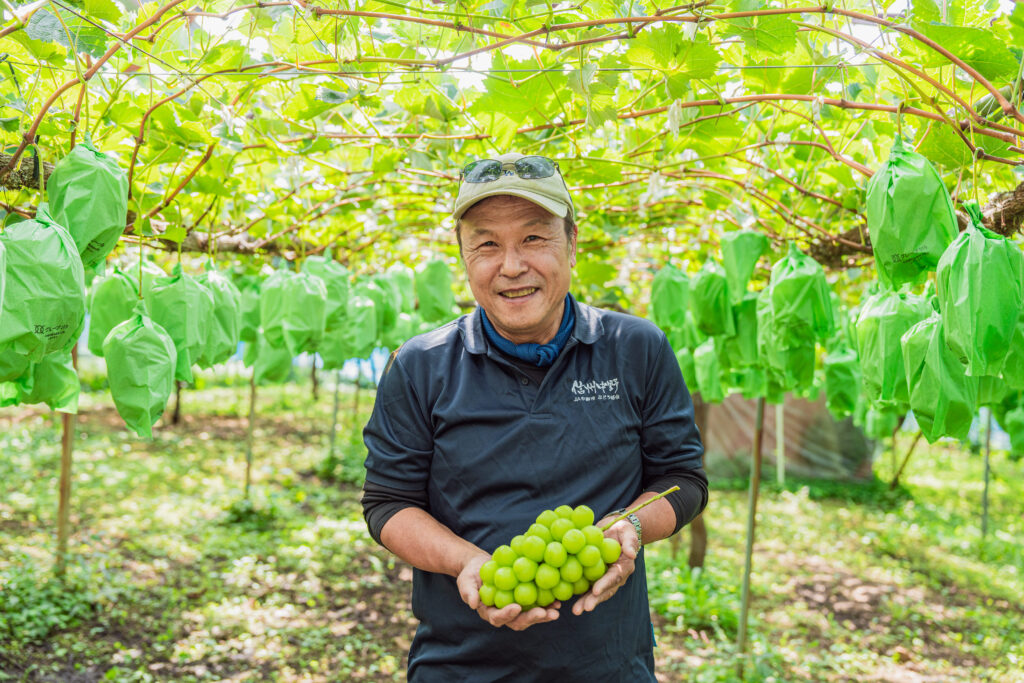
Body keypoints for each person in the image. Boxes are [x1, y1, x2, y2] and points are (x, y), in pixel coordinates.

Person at [361, 152, 708, 681]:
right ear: (464, 258)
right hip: (458, 666)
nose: (512, 265)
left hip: (607, 665)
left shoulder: (636, 348)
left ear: (571, 243)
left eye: (533, 238)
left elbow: (682, 480)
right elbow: (388, 504)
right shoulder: (420, 365)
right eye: (486, 244)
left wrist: (631, 524)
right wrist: (465, 562)